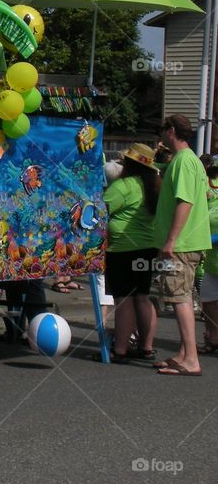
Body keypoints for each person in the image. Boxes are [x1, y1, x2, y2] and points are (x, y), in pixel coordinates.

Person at [153, 114, 212, 376]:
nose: (161, 135)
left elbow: (185, 202)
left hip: (183, 243)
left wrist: (171, 240)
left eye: (163, 129)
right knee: (179, 295)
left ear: (172, 131)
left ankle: (191, 359)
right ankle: (184, 353)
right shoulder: (188, 160)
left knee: (180, 297)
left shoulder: (185, 161)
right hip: (187, 241)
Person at [99, 143, 159, 363]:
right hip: (147, 248)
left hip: (123, 248)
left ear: (128, 164)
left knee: (124, 299)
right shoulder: (152, 186)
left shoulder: (123, 186)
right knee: (142, 297)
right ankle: (147, 347)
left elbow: (99, 210)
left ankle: (121, 349)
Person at [198, 154, 218, 354]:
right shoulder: (206, 186)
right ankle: (213, 337)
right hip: (212, 261)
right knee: (209, 299)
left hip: (212, 251)